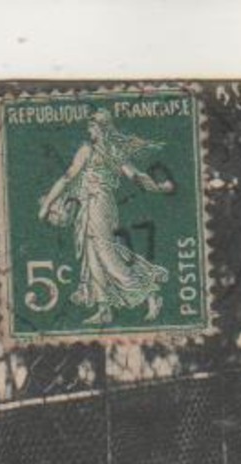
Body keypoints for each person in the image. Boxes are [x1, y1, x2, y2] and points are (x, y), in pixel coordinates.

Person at [38, 108, 174, 326]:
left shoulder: (97, 150)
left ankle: (149, 292)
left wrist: (47, 205)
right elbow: (133, 176)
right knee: (92, 254)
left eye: (92, 126)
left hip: (99, 204)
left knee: (105, 253)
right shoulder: (109, 150)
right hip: (92, 204)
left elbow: (68, 177)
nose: (89, 129)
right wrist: (159, 187)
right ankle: (104, 309)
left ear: (101, 128)